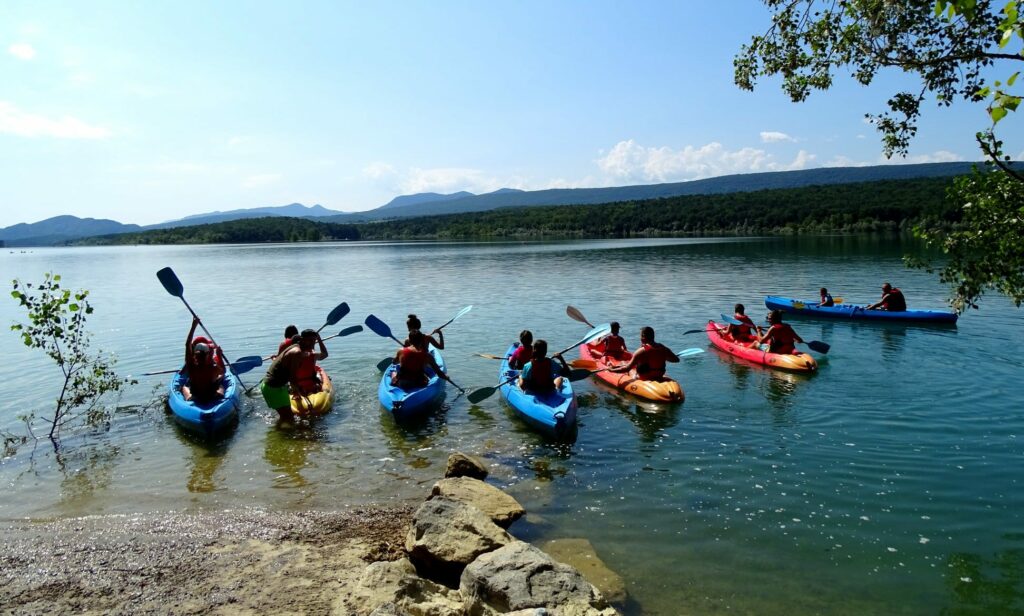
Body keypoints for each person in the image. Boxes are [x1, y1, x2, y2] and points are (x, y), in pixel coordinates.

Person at [261, 329, 328, 422]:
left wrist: (319, 339)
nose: (313, 344)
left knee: (288, 418)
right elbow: (292, 376)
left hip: (279, 386)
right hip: (273, 387)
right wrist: (296, 392)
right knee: (287, 418)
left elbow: (324, 355)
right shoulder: (297, 352)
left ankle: (282, 434)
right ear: (303, 340)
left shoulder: (297, 347)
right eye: (311, 341)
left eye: (314, 341)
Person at [608, 326, 679, 381]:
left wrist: (611, 370)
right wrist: (663, 357)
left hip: (645, 377)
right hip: (659, 375)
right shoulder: (663, 348)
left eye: (640, 336)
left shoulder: (641, 351)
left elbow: (627, 368)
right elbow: (676, 360)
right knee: (629, 364)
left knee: (630, 369)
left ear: (643, 337)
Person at [182, 316, 226, 402]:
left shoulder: (190, 365)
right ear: (208, 353)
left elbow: (187, 344)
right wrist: (219, 356)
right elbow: (223, 371)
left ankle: (188, 399)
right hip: (212, 396)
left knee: (184, 387)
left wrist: (193, 326)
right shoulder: (213, 367)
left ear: (195, 352)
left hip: (196, 397)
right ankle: (222, 397)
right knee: (220, 386)